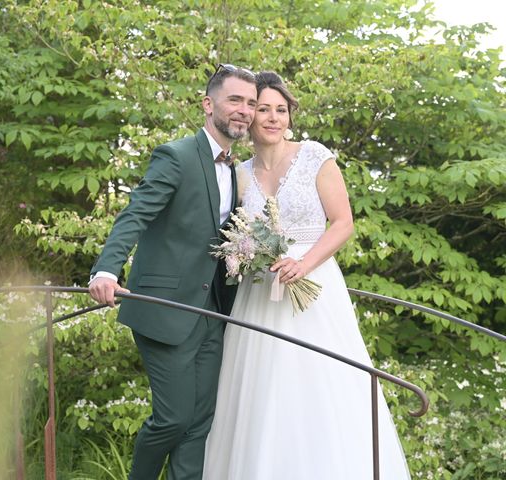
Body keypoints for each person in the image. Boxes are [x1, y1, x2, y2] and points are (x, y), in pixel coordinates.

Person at [202, 72, 411, 479]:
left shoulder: (316, 156)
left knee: (321, 381)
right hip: (261, 292)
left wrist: (304, 263)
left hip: (314, 287)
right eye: (263, 109)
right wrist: (249, 256)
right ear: (249, 114)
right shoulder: (239, 173)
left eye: (282, 110)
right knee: (263, 388)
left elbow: (343, 222)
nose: (274, 117)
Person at [89, 64, 257, 480]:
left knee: (200, 423)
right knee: (173, 419)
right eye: (235, 100)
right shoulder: (176, 156)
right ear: (208, 104)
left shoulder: (236, 170)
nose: (245, 111)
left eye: (251, 103)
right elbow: (135, 216)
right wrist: (107, 270)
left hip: (213, 311)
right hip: (164, 308)